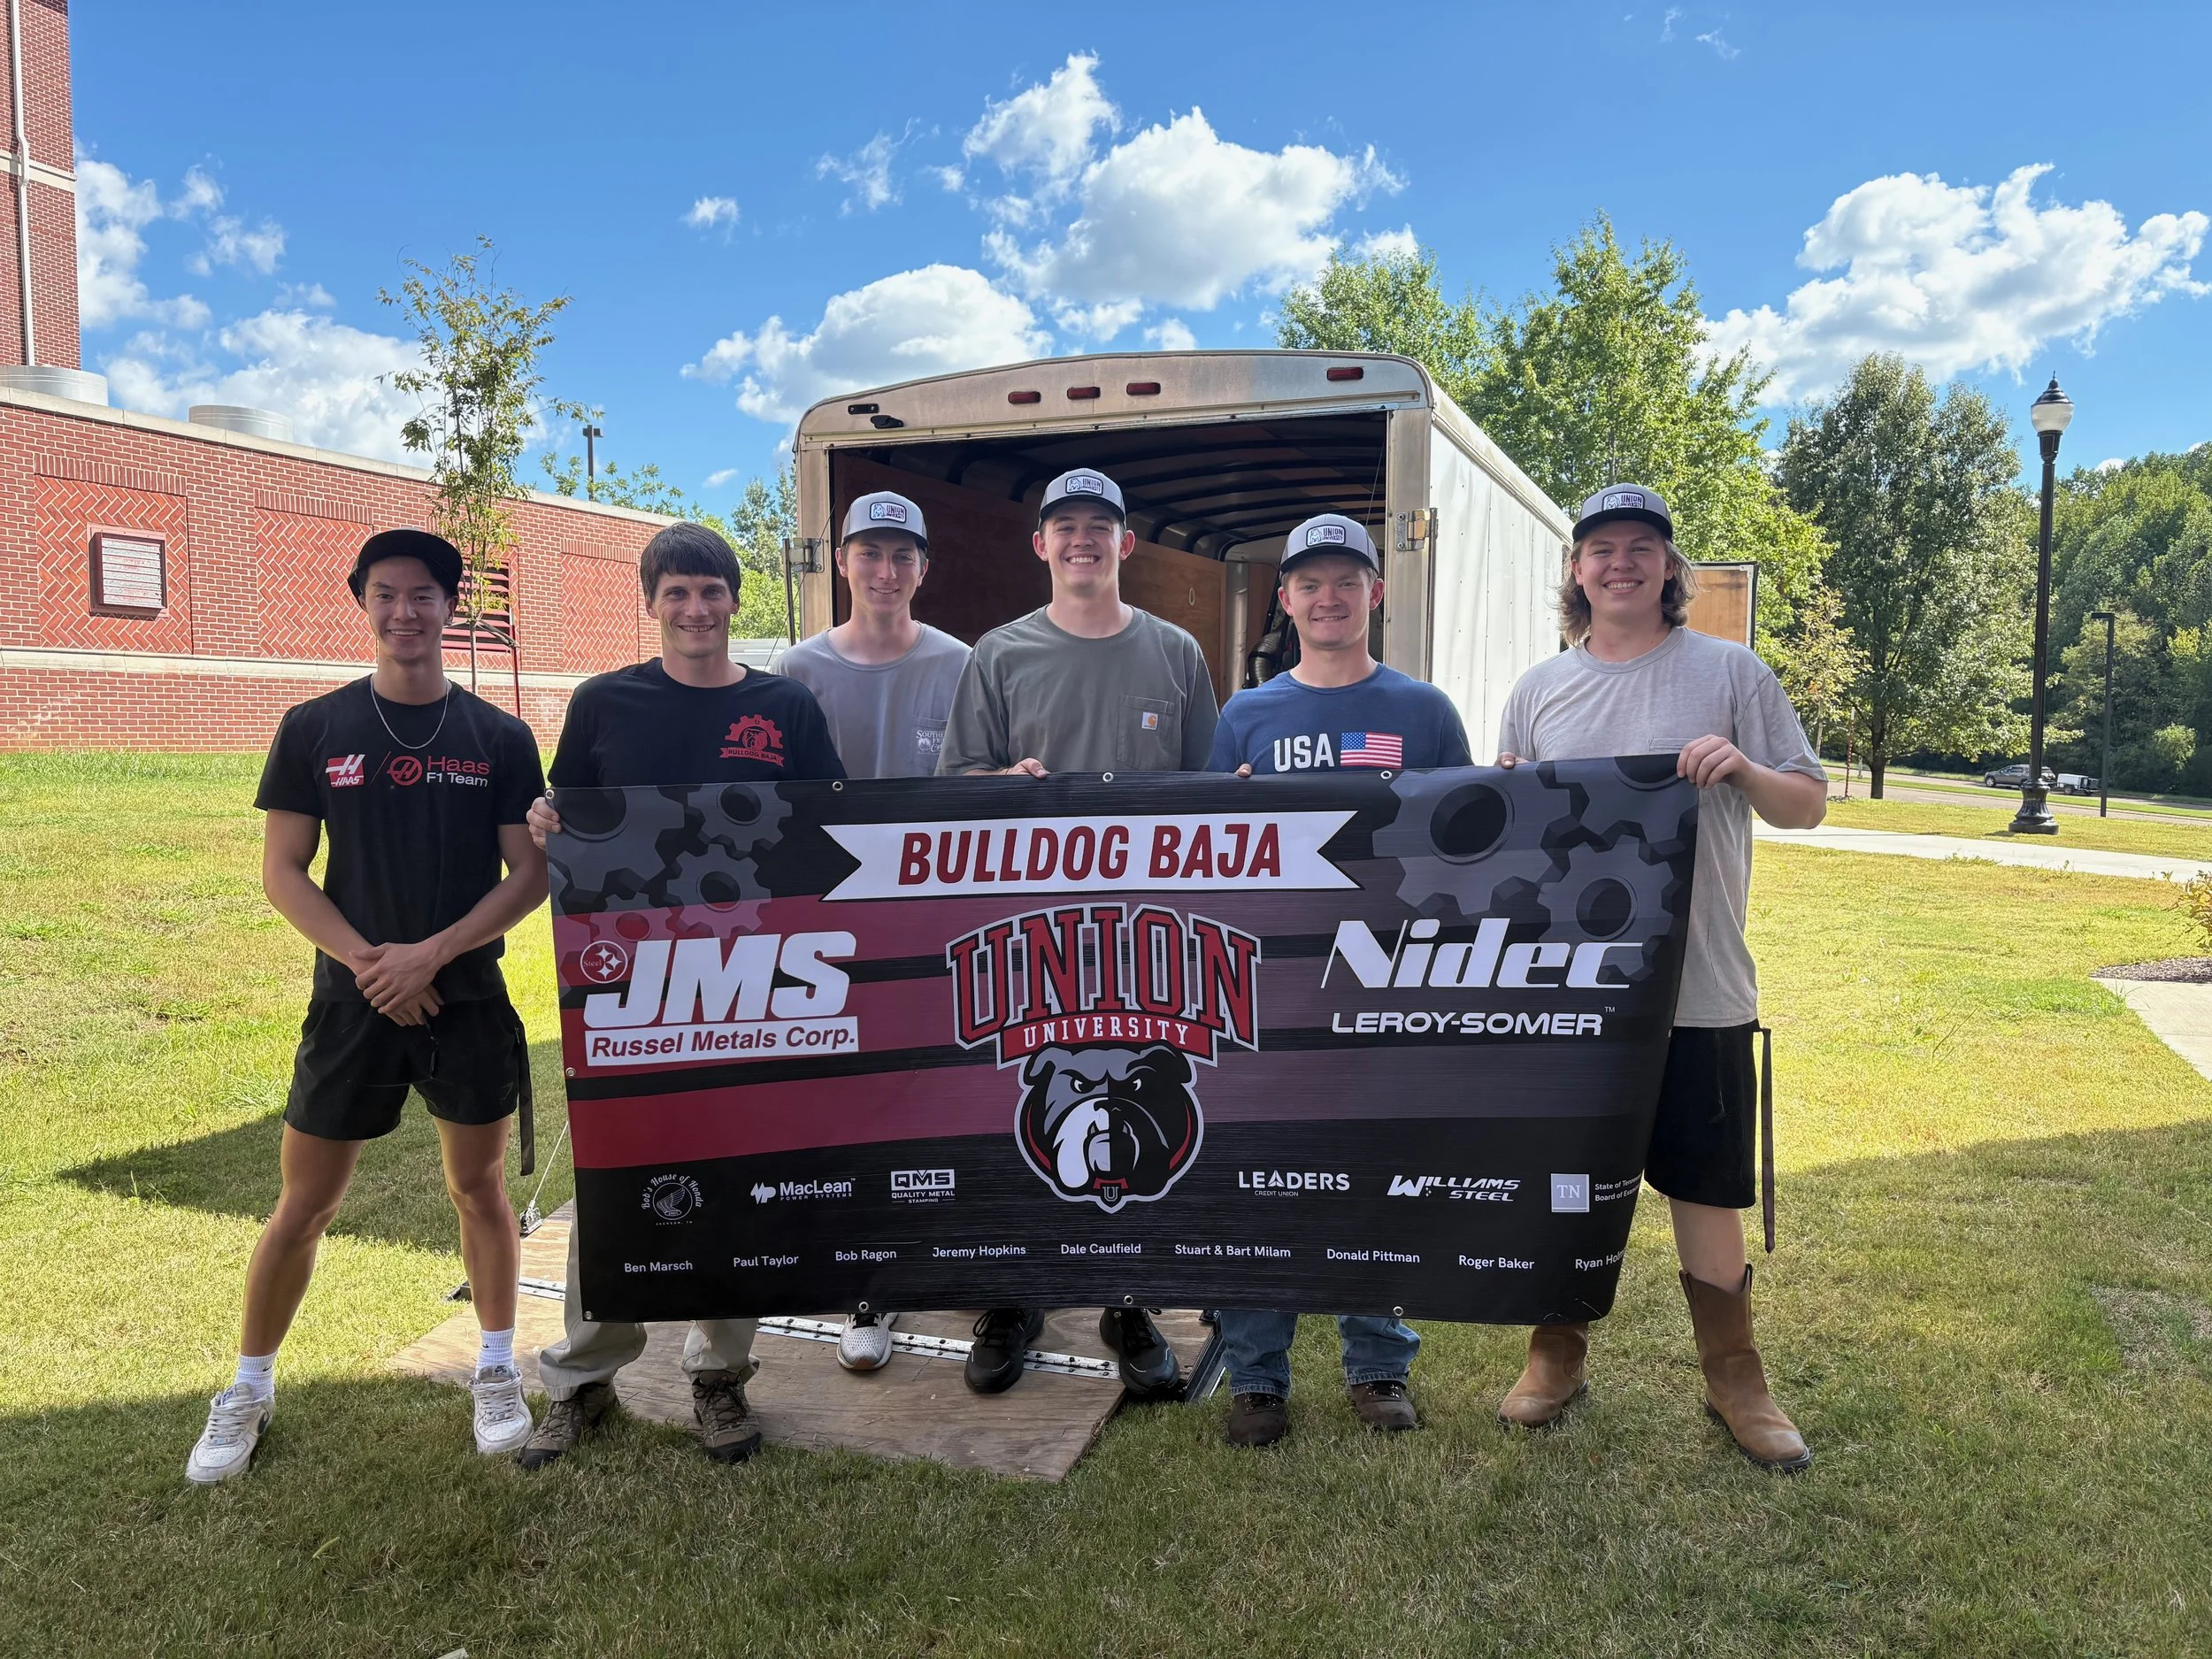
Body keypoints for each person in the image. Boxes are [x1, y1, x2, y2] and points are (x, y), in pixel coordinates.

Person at [187, 529, 549, 1484]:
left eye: (423, 594)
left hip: (466, 997)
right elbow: (282, 874)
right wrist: (372, 964)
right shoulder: (314, 727)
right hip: (351, 1006)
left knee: (479, 1193)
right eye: (385, 594)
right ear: (362, 603)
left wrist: (431, 953)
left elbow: (531, 876)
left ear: (449, 606)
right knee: (306, 1202)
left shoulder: (498, 738)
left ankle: (498, 1369)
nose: (405, 612)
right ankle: (248, 1389)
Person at [1493, 484, 1827, 1471]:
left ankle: (1737, 1380)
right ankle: (1556, 1352)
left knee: (1702, 1186)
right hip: (1571, 988)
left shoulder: (1730, 673)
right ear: (1575, 570)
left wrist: (1744, 771)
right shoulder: (1540, 687)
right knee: (1560, 1183)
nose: (1620, 563)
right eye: (1601, 549)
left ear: (1670, 570)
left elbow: (1804, 804)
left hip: (1700, 983)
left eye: (1642, 547)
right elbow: (1510, 832)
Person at [518, 522, 845, 1471]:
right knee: (618, 1172)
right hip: (629, 978)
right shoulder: (603, 702)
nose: (695, 610)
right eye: (676, 594)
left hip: (752, 977)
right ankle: (582, 1377)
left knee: (735, 1173)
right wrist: (546, 820)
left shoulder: (786, 705)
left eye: (711, 592)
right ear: (650, 603)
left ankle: (718, 1376)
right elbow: (564, 816)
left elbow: (829, 828)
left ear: (738, 602)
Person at [939, 466, 1218, 1400]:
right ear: (1041, 545)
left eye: (1100, 525)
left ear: (1125, 544)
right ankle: (1012, 1299)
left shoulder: (1177, 654)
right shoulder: (1000, 653)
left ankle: (1127, 1298)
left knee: (1129, 1104)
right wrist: (1003, 785)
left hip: (1146, 934)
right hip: (1024, 932)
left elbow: (1207, 802)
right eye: (1065, 526)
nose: (1082, 540)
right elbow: (955, 786)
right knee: (1017, 1105)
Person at [1203, 512, 1472, 1448]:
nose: (1327, 596)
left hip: (1382, 977)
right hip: (1269, 982)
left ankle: (1378, 1363)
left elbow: (1465, 845)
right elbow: (1202, 855)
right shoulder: (1246, 715)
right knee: (1254, 1178)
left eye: (1345, 580)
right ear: (1286, 600)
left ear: (1375, 594)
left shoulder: (1423, 711)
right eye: (1309, 582)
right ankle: (1255, 1378)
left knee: (1375, 1170)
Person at [778, 489, 970, 1371]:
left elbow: (987, 786)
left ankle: (968, 1260)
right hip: (834, 933)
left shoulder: (964, 666)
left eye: (902, 556)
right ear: (843, 562)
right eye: (870, 553)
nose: (885, 571)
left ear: (922, 570)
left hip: (940, 929)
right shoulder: (795, 672)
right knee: (852, 1111)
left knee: (948, 1102)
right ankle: (871, 1291)